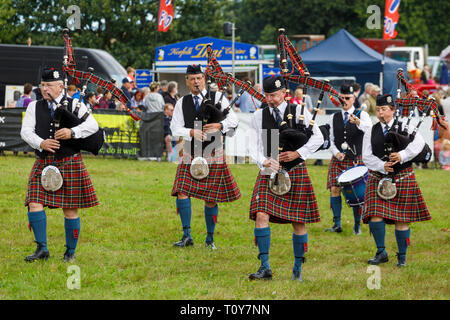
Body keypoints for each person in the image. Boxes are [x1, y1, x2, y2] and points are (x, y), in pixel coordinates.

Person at [247, 76, 323, 282]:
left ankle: (298, 268)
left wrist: (298, 153)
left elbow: (319, 137)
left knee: (298, 221)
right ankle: (264, 267)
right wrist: (263, 161)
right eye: (267, 95)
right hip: (268, 170)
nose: (270, 100)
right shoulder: (259, 115)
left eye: (274, 95)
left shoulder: (298, 111)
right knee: (261, 214)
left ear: (283, 93)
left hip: (295, 169)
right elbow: (252, 145)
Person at [20, 67, 99, 262]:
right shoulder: (34, 106)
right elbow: (26, 132)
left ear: (60, 86)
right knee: (34, 203)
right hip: (43, 161)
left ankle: (70, 253)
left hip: (68, 161)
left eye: (49, 85)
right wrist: (41, 143)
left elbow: (93, 126)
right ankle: (42, 249)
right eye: (43, 85)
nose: (44, 89)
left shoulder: (75, 105)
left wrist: (73, 132)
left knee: (70, 209)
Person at [170, 64, 241, 250]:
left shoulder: (218, 97)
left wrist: (220, 126)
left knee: (211, 197)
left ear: (204, 79)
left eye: (199, 78)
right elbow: (174, 127)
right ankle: (187, 235)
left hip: (213, 151)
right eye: (192, 79)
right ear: (186, 81)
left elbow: (233, 120)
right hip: (189, 151)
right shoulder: (181, 102)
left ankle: (210, 239)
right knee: (181, 191)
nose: (196, 82)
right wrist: (191, 132)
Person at [361, 94, 431, 267]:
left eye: (384, 109)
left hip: (402, 176)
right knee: (374, 214)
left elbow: (419, 145)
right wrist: (381, 165)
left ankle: (402, 257)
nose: (380, 113)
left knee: (402, 219)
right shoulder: (372, 130)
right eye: (378, 110)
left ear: (393, 110)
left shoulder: (406, 126)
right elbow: (366, 155)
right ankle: (381, 252)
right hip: (379, 177)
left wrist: (402, 155)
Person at [325, 84, 372, 235]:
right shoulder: (334, 117)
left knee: (357, 194)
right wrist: (336, 152)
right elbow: (330, 139)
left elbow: (370, 131)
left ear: (354, 99)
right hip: (338, 158)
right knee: (334, 189)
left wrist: (358, 122)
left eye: (347, 98)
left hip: (355, 159)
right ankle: (337, 224)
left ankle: (357, 225)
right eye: (342, 98)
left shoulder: (362, 115)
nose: (344, 100)